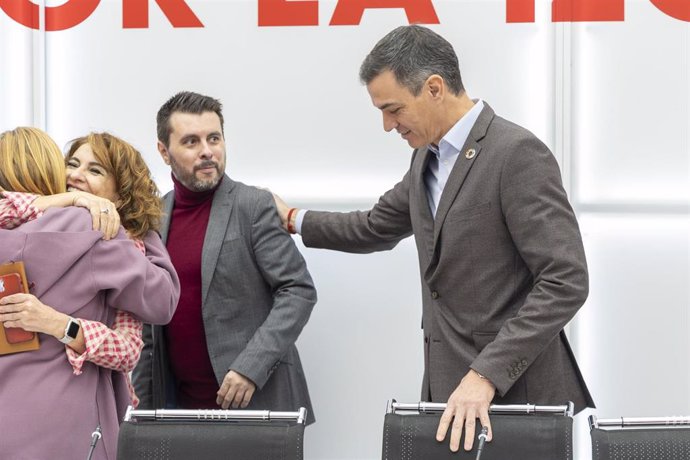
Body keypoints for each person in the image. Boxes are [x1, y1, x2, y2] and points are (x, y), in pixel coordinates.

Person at [272, 25, 594, 451]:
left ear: (435, 88)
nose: (388, 126)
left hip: (519, 400)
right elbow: (372, 226)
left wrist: (486, 375)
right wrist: (293, 218)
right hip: (451, 395)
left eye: (393, 109)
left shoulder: (516, 154)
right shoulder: (426, 156)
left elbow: (565, 280)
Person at [132, 91, 317, 423]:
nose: (207, 151)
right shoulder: (154, 217)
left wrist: (250, 367)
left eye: (214, 138)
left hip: (258, 406)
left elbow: (298, 290)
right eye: (191, 141)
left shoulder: (252, 205)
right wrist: (141, 413)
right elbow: (150, 328)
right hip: (179, 411)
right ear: (164, 151)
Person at [0, 127, 180, 460]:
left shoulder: (9, 225)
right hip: (70, 427)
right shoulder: (95, 235)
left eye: (94, 170)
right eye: (72, 164)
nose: (77, 176)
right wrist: (142, 223)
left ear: (120, 195)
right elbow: (162, 300)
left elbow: (127, 348)